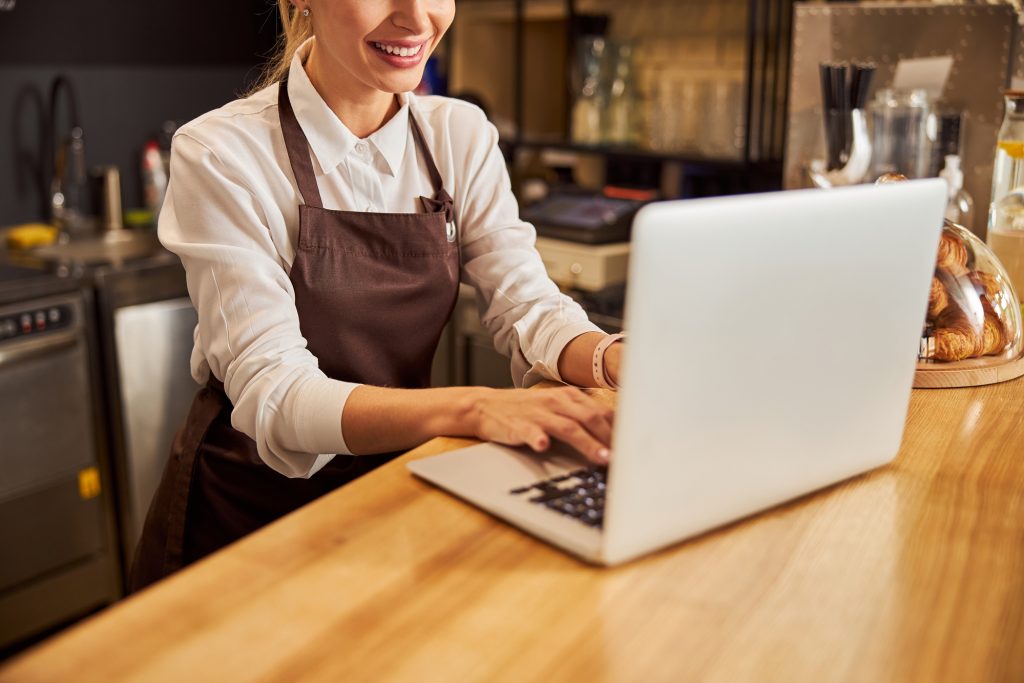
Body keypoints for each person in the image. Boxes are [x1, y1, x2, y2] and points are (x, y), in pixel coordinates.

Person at [130, 0, 624, 591]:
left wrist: (612, 358)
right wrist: (475, 408)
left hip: (394, 484)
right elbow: (278, 394)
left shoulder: (457, 135)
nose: (416, 19)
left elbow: (528, 304)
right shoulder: (222, 153)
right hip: (251, 517)